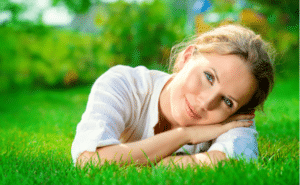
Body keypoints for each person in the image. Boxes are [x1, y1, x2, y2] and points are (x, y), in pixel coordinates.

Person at [71, 24, 275, 168]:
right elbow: (89, 161)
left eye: (227, 101)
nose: (206, 103)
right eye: (208, 77)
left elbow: (236, 161)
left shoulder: (234, 120)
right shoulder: (125, 84)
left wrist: (173, 165)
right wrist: (184, 135)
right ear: (187, 58)